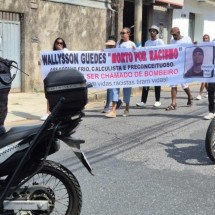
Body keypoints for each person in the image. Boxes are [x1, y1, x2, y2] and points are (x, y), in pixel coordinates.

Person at [106, 27, 136, 117]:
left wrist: (135, 50)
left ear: (128, 34)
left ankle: (127, 108)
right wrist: (105, 52)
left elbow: (136, 56)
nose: (122, 34)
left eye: (123, 33)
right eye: (121, 33)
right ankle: (113, 110)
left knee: (127, 89)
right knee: (115, 88)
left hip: (127, 71)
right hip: (118, 70)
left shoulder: (131, 44)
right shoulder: (118, 43)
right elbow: (114, 53)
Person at [136, 25, 164, 108]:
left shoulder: (160, 42)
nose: (152, 32)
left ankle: (157, 100)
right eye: (151, 31)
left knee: (157, 83)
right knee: (146, 83)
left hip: (156, 66)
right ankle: (143, 101)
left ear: (157, 33)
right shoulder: (147, 42)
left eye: (154, 31)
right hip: (148, 66)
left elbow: (162, 53)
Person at [166, 27, 193, 111]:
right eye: (172, 35)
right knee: (173, 84)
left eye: (174, 34)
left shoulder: (187, 39)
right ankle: (173, 103)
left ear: (179, 32)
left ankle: (189, 96)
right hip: (175, 64)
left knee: (183, 84)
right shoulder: (172, 41)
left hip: (184, 64)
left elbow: (191, 49)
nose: (173, 36)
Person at [40, 37, 68, 121]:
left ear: (63, 45)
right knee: (50, 94)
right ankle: (48, 112)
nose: (59, 44)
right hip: (53, 77)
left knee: (62, 95)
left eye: (61, 43)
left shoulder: (66, 52)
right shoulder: (50, 54)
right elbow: (46, 63)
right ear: (55, 44)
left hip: (62, 77)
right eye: (57, 43)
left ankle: (61, 112)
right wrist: (41, 62)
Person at [101, 36, 122, 114]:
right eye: (108, 45)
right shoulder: (106, 51)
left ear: (115, 44)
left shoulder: (119, 52)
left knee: (111, 89)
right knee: (111, 89)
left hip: (116, 73)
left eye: (111, 45)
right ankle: (118, 102)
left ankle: (107, 107)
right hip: (108, 73)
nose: (109, 46)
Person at [196, 34, 210, 100]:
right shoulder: (201, 46)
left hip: (209, 65)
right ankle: (209, 91)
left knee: (203, 80)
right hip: (202, 65)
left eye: (206, 38)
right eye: (204, 38)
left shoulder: (211, 46)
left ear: (208, 39)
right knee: (205, 80)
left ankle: (200, 94)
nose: (205, 39)